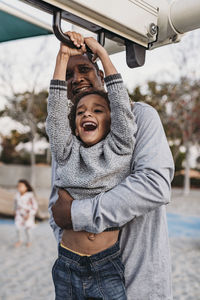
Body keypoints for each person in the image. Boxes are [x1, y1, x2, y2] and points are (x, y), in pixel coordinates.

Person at [49, 33, 174, 299]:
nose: (76, 78)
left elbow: (154, 186)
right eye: (69, 75)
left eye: (84, 69)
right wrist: (74, 245)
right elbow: (57, 206)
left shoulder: (139, 118)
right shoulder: (68, 141)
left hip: (136, 277)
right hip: (71, 265)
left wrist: (77, 215)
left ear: (101, 75)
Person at [46, 31, 137, 299]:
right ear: (73, 125)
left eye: (98, 110)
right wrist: (63, 56)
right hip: (66, 263)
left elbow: (120, 104)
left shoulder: (119, 148)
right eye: (82, 111)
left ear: (112, 122)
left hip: (106, 265)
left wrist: (102, 53)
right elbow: (55, 112)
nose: (88, 112)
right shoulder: (66, 151)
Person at [14, 179, 38, 247]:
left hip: (28, 215)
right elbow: (15, 204)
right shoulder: (17, 195)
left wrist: (29, 214)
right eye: (18, 186)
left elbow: (35, 206)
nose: (19, 187)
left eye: (21, 186)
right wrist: (15, 211)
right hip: (19, 214)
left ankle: (29, 241)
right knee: (18, 228)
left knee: (28, 229)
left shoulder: (30, 196)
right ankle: (19, 240)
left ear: (26, 187)